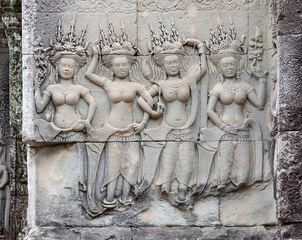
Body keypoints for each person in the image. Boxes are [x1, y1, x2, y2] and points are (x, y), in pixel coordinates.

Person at [85, 41, 163, 209]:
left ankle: (126, 198)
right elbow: (89, 75)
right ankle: (110, 198)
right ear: (111, 68)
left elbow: (149, 102)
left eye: (124, 65)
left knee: (132, 165)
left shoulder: (136, 86)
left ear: (130, 66)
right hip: (112, 130)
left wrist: (145, 121)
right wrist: (95, 57)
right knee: (113, 166)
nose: (121, 68)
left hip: (131, 129)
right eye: (117, 65)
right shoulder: (108, 83)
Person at [140, 36, 207, 205]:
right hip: (168, 128)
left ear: (180, 63)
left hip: (186, 126)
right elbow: (142, 98)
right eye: (168, 63)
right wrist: (154, 111)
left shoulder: (188, 81)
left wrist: (201, 47)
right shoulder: (161, 84)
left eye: (175, 62)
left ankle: (183, 190)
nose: (172, 65)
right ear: (163, 65)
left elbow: (203, 69)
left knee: (186, 160)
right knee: (168, 161)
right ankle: (166, 188)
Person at [206, 55, 267, 189]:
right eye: (226, 65)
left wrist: (262, 81)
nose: (229, 67)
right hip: (225, 132)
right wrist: (223, 127)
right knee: (223, 174)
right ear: (220, 69)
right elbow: (209, 111)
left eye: (232, 64)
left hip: (243, 132)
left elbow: (260, 104)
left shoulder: (244, 86)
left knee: (243, 176)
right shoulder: (218, 88)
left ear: (237, 66)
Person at [34, 53, 97, 141]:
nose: (66, 69)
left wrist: (86, 122)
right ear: (57, 67)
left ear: (75, 69)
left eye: (70, 66)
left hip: (75, 131)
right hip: (55, 131)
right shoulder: (51, 88)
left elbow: (93, 103)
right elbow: (39, 108)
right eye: (63, 66)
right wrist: (37, 86)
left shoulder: (79, 88)